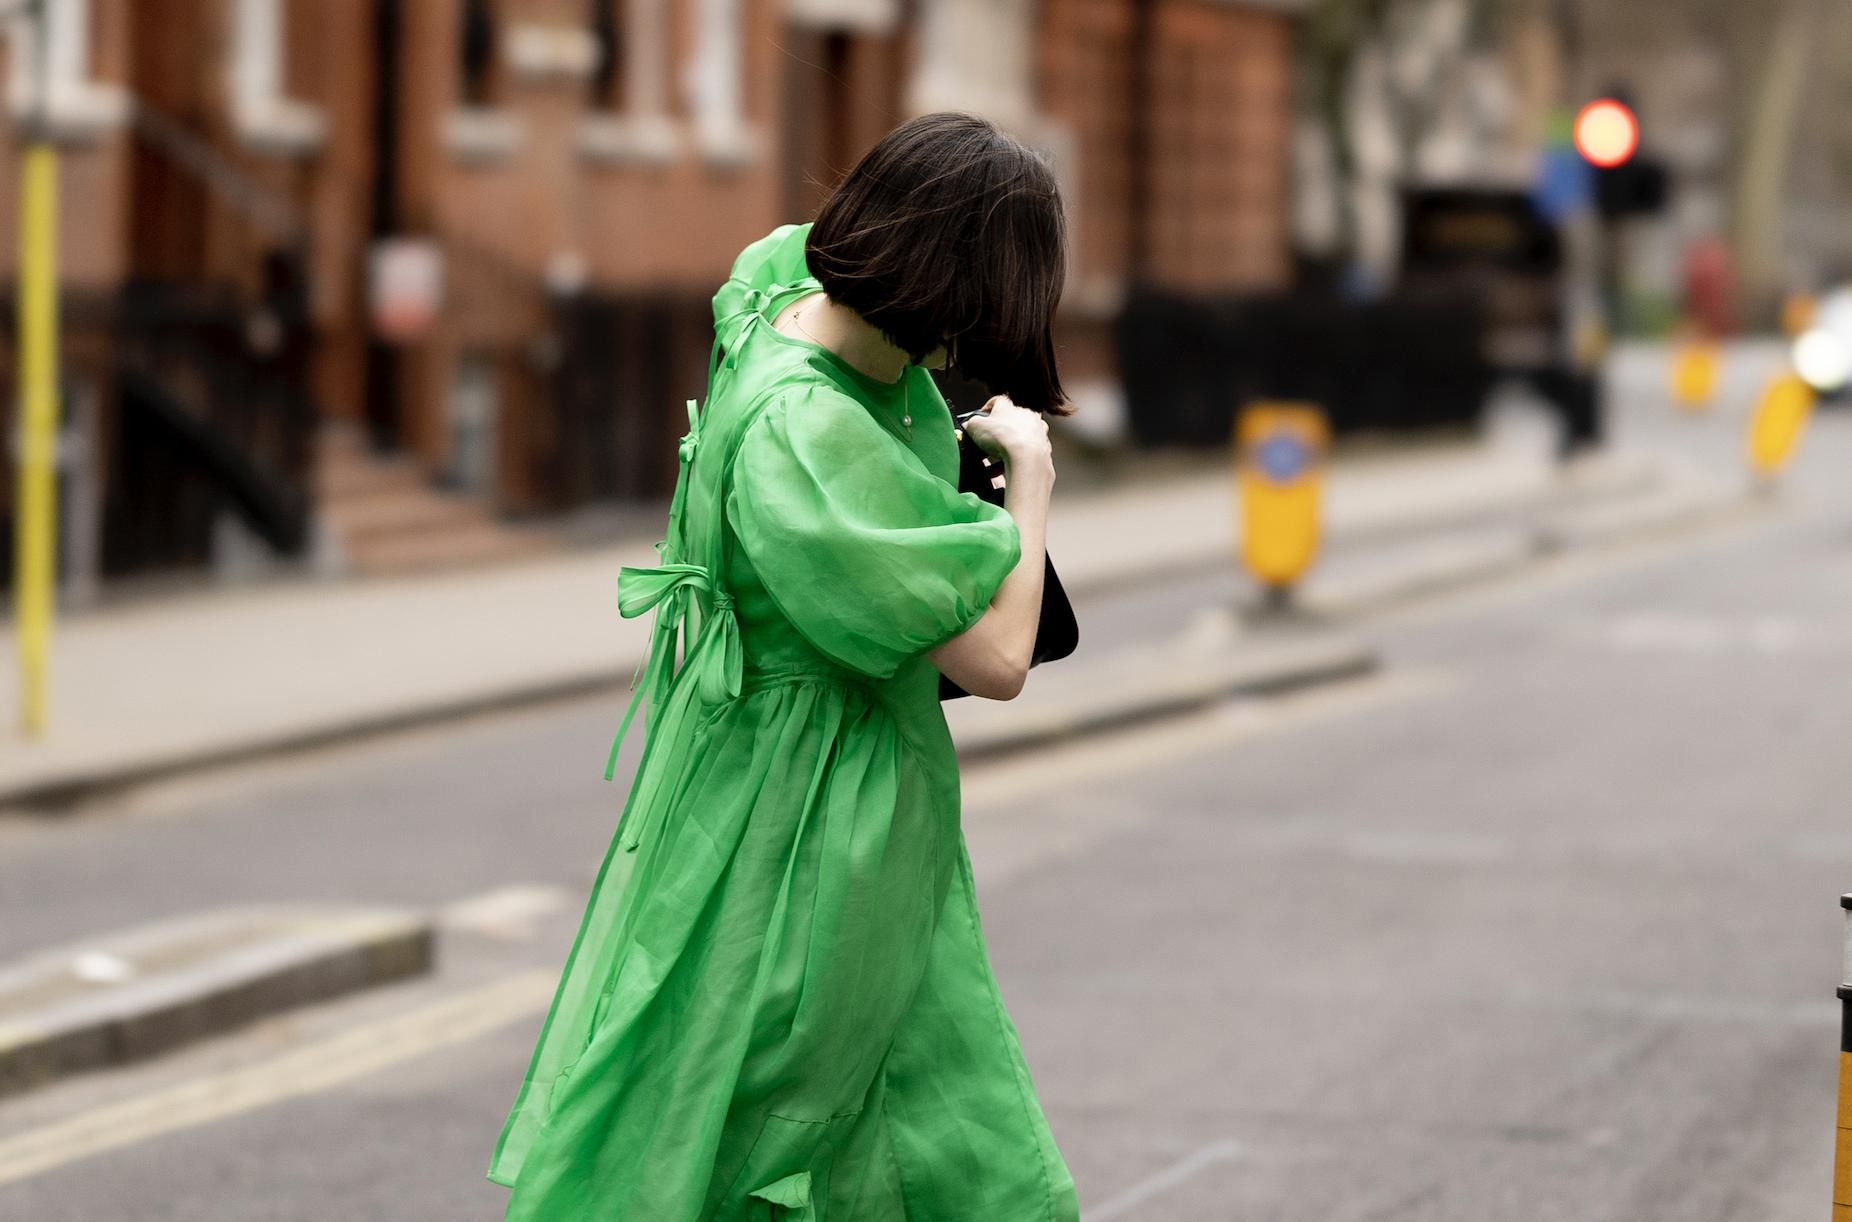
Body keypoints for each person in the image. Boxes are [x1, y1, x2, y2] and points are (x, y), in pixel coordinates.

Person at [488, 112, 1080, 1221]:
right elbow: (999, 658)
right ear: (946, 289)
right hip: (811, 826)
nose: (977, 338)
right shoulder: (812, 440)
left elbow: (778, 251)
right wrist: (1029, 482)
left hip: (768, 786)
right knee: (783, 1118)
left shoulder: (773, 289)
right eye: (987, 303)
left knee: (906, 1108)